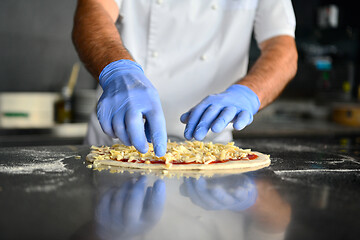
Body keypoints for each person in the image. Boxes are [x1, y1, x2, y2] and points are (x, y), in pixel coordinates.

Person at [72, 0, 298, 157]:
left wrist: (248, 93)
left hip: (211, 150)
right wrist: (117, 70)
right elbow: (93, 10)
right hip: (117, 139)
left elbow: (283, 47)